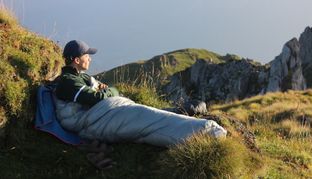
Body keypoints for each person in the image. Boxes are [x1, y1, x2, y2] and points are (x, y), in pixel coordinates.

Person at [54, 40, 227, 168]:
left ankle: (199, 128)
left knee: (148, 117)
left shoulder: (79, 77)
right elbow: (98, 98)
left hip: (107, 112)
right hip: (96, 120)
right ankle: (208, 132)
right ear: (77, 60)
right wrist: (111, 91)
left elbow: (97, 91)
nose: (90, 59)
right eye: (87, 56)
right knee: (148, 122)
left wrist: (103, 91)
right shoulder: (68, 82)